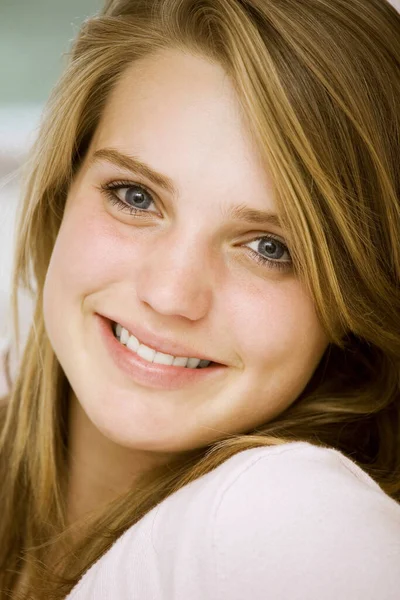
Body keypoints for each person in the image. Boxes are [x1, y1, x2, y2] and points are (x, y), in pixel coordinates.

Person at [1, 0, 400, 598]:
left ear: (353, 302)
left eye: (270, 247)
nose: (170, 295)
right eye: (135, 197)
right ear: (62, 191)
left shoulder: (291, 520)